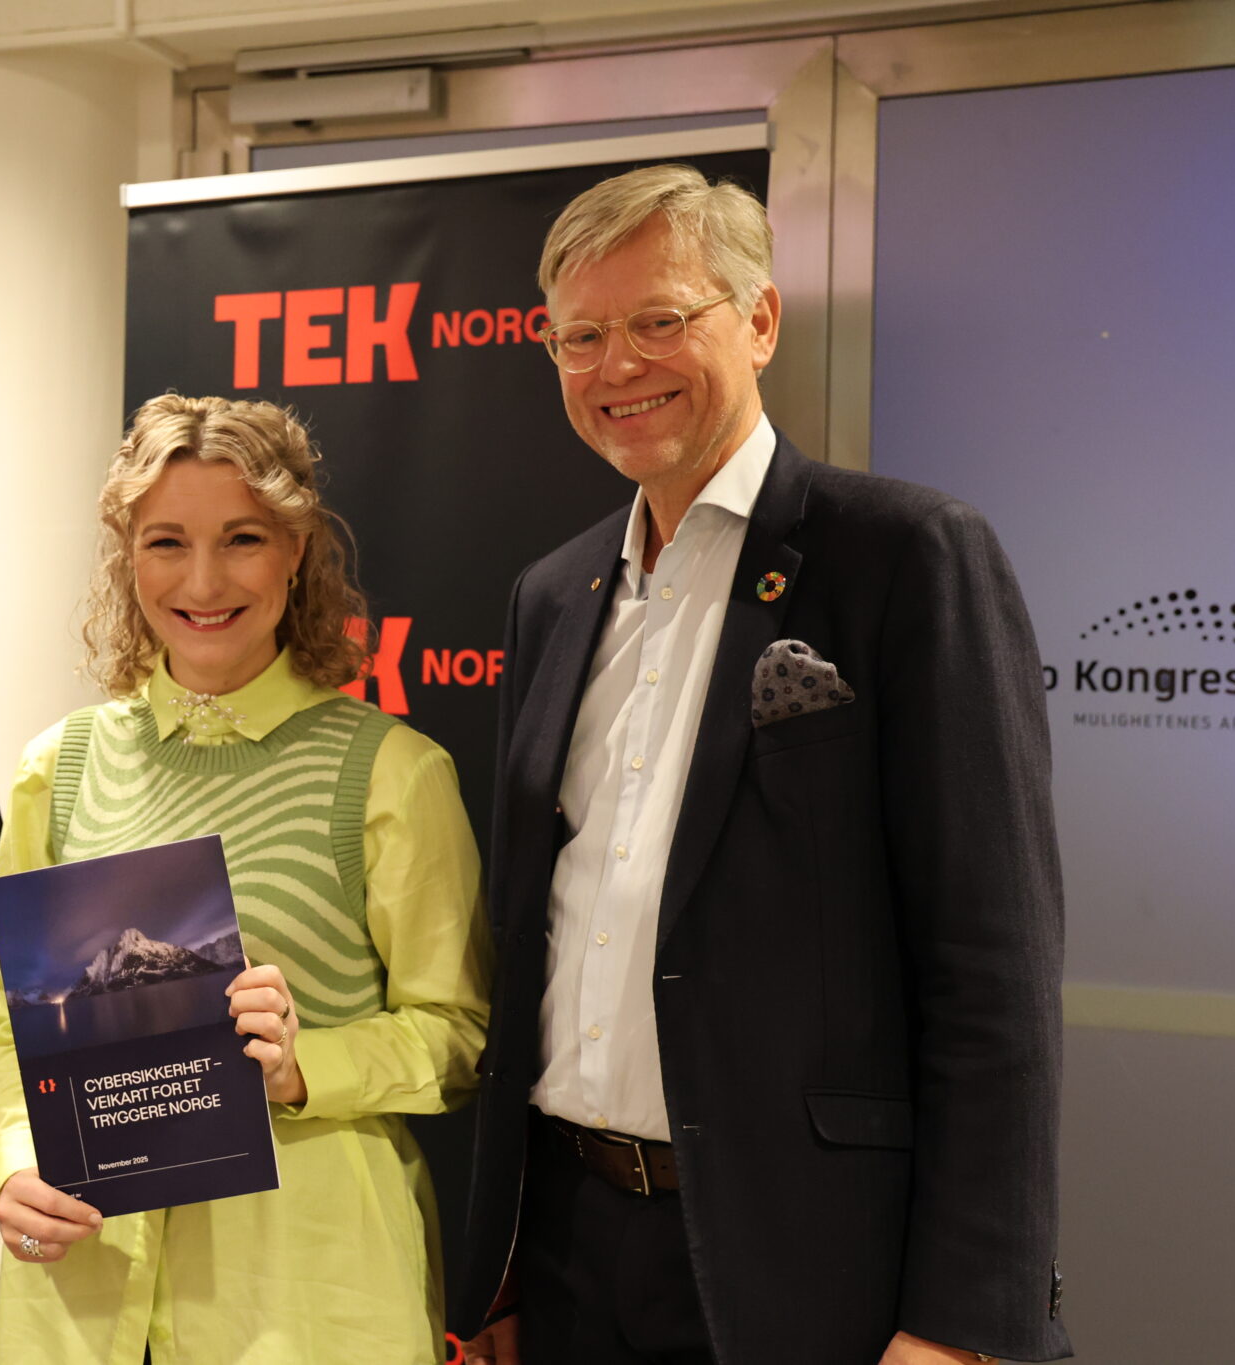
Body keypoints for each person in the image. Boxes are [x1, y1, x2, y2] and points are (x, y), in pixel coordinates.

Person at [455, 164, 1068, 1365]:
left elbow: (989, 969)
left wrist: (960, 1323)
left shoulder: (904, 555)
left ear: (760, 321)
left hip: (804, 1260)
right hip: (570, 1250)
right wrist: (501, 1269)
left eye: (658, 320)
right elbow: (537, 939)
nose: (615, 365)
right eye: (579, 336)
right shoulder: (550, 594)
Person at [0, 394, 491, 1364]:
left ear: (296, 550)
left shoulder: (391, 772)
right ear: (128, 557)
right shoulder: (60, 768)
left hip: (304, 1297)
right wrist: (16, 1160)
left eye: (241, 538)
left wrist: (303, 1067)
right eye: (166, 542)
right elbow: (2, 1022)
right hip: (86, 1288)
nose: (202, 580)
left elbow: (456, 1034)